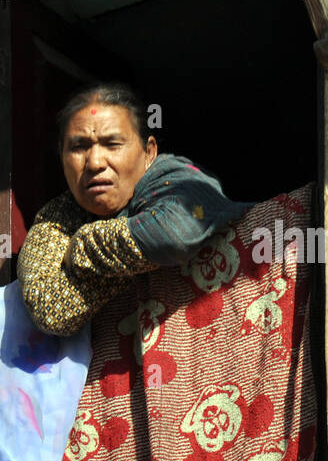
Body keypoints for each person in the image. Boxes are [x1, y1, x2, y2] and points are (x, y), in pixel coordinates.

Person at [18, 82, 251, 336]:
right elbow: (48, 309)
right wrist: (131, 257)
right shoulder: (58, 217)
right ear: (62, 159)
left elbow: (177, 229)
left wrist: (82, 248)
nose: (95, 162)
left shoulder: (171, 176)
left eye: (112, 144)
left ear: (149, 152)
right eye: (78, 147)